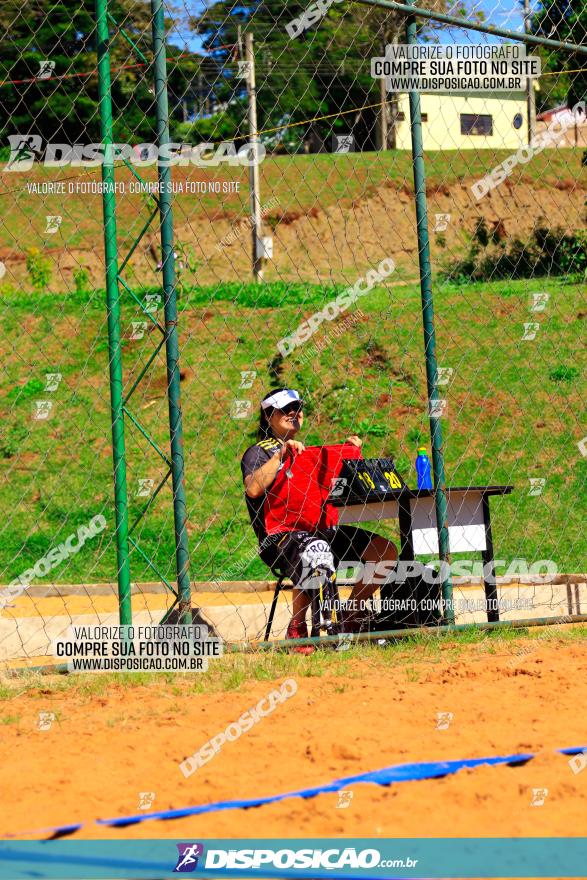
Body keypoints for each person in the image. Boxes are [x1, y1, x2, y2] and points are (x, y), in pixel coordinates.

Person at [240, 388, 398, 653]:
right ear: (268, 416)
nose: (294, 413)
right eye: (285, 409)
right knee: (314, 550)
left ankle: (350, 615)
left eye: (298, 408)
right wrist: (281, 455)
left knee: (385, 551)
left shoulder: (308, 453)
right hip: (281, 538)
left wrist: (346, 456)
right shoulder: (258, 452)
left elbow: (335, 492)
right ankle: (302, 628)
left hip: (322, 529)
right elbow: (253, 489)